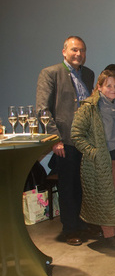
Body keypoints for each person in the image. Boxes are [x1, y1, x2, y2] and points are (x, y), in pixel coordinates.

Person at [71, 69, 115, 250]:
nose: (113, 89)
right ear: (99, 87)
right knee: (106, 200)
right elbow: (76, 135)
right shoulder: (90, 107)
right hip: (102, 162)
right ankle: (110, 235)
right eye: (108, 85)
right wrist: (93, 153)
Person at [36, 36, 95, 246]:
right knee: (68, 186)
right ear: (64, 52)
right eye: (74, 50)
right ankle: (70, 229)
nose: (78, 54)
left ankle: (81, 223)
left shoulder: (88, 74)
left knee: (83, 185)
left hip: (85, 140)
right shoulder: (51, 73)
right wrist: (55, 139)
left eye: (82, 50)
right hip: (65, 141)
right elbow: (42, 109)